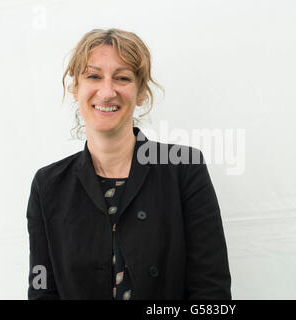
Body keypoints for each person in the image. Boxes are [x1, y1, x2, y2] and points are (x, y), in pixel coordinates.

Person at [26, 28, 231, 300]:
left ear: (142, 92)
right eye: (94, 76)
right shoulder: (48, 185)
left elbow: (211, 288)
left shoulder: (184, 169)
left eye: (122, 78)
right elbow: (41, 287)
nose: (107, 91)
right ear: (75, 88)